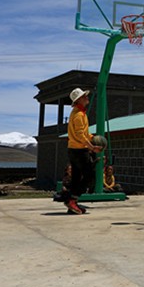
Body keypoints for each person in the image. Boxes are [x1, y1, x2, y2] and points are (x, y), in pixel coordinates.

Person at [65, 87, 100, 215]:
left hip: (73, 149)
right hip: (79, 150)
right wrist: (92, 147)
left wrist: (92, 138)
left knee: (76, 177)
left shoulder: (78, 113)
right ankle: (72, 200)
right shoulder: (79, 115)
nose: (87, 98)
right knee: (89, 176)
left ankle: (72, 203)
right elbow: (80, 135)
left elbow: (83, 133)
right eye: (84, 96)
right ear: (79, 100)